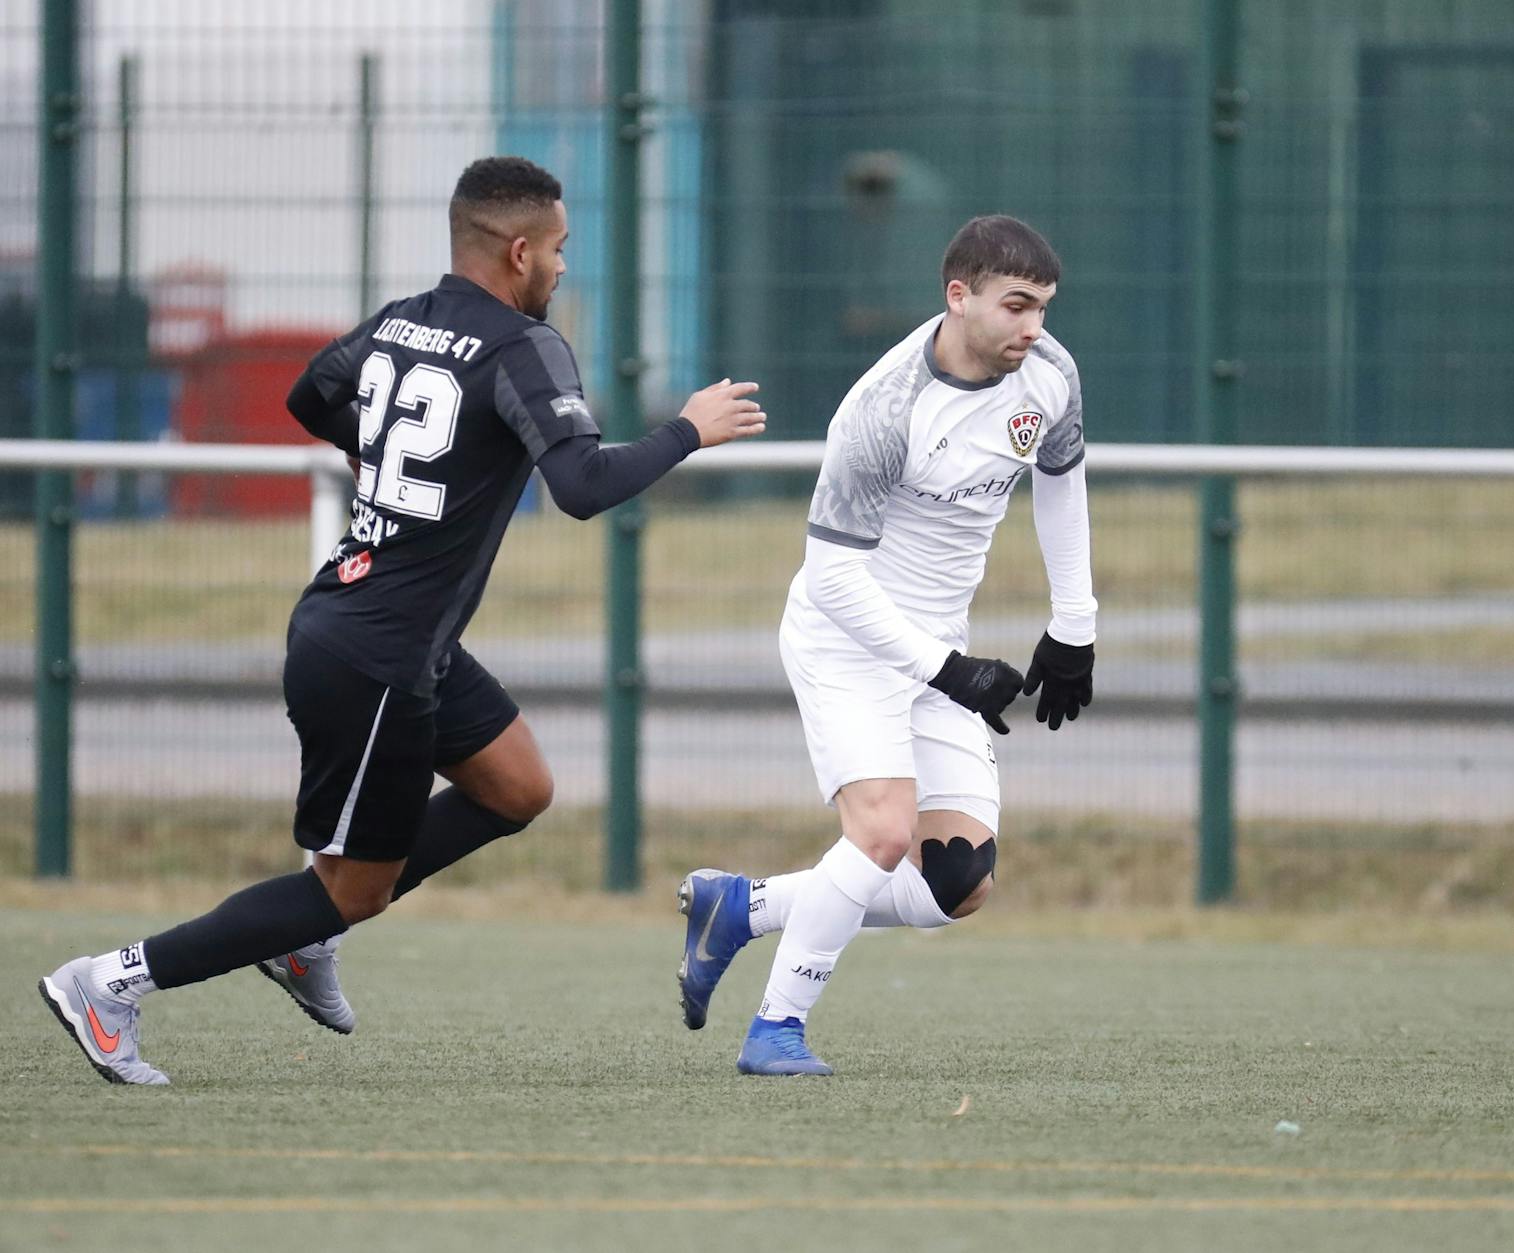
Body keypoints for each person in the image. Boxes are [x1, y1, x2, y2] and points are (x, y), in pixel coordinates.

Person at [38, 156, 766, 1084]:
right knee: (352, 889)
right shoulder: (522, 346)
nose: (562, 267)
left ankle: (307, 934)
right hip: (376, 654)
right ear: (517, 250)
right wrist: (687, 430)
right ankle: (112, 981)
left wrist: (382, 464)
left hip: (381, 631)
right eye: (558, 249)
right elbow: (581, 487)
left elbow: (311, 394)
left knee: (517, 787)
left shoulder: (401, 322)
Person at [672, 215, 1097, 1075]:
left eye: (1043, 309)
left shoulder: (1048, 376)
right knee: (882, 834)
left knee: (958, 881)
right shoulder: (883, 408)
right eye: (1016, 306)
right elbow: (832, 580)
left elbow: (1060, 479)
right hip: (848, 641)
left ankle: (741, 908)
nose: (1033, 328)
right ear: (958, 296)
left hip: (940, 647)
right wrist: (948, 669)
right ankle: (775, 1030)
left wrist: (1073, 626)